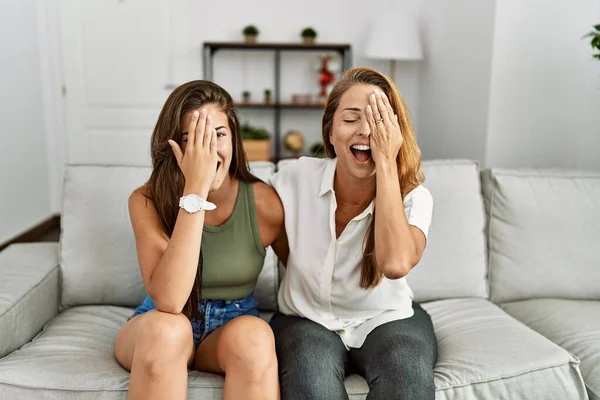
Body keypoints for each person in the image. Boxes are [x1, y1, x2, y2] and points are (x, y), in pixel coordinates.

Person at [269, 67, 437, 400]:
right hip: (306, 318)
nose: (366, 131)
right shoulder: (294, 178)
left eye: (379, 121)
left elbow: (395, 263)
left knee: (409, 375)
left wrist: (387, 163)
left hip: (386, 318)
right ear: (330, 133)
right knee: (309, 376)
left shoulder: (414, 197)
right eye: (351, 119)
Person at [114, 80, 283, 400]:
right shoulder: (146, 199)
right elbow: (170, 300)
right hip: (164, 321)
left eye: (218, 135)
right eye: (193, 139)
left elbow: (310, 273)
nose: (208, 149)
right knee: (167, 332)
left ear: (234, 139)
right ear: (173, 147)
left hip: (232, 324)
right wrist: (194, 192)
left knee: (257, 338)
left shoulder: (265, 204)